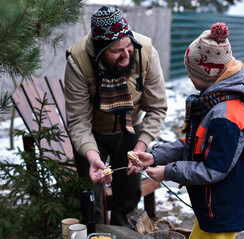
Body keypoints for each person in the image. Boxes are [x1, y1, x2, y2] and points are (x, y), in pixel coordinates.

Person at [128, 22, 244, 239]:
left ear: (208, 74)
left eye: (192, 72)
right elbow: (191, 144)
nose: (188, 77)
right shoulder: (213, 104)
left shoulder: (225, 117)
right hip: (209, 207)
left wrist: (168, 172)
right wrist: (156, 157)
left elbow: (212, 170)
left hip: (221, 210)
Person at [64, 6, 167, 227]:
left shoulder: (145, 51)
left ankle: (124, 232)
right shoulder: (78, 60)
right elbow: (78, 121)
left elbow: (157, 107)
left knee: (129, 195)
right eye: (116, 51)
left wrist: (141, 146)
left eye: (128, 46)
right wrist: (92, 157)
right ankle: (95, 231)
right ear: (100, 52)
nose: (126, 55)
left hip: (131, 130)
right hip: (92, 132)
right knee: (91, 197)